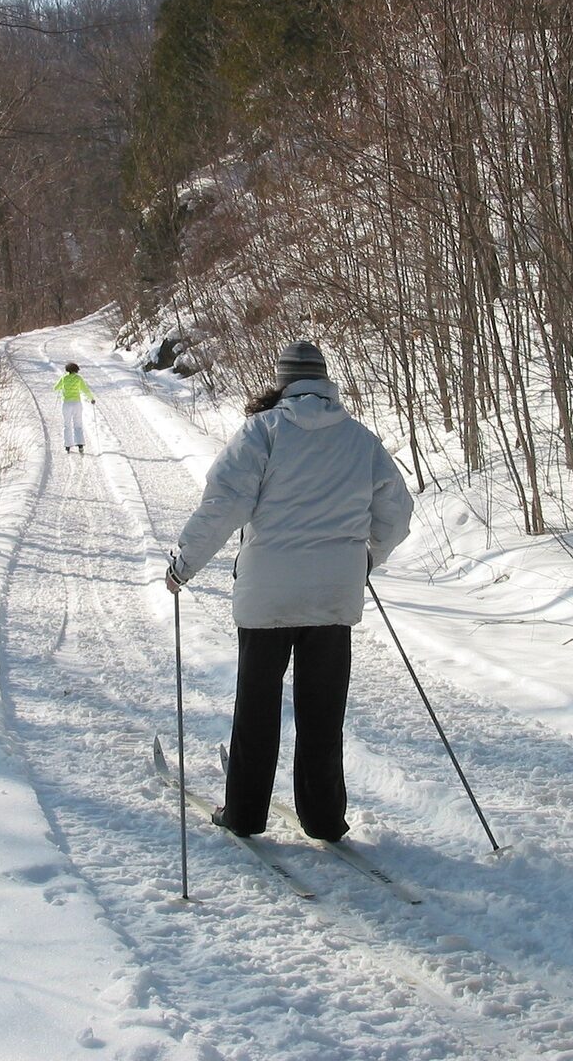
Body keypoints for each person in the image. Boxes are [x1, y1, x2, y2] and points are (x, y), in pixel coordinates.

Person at [164, 341, 414, 841]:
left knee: (256, 709)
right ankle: (323, 819)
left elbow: (223, 506)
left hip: (267, 598)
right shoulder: (359, 439)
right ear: (324, 380)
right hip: (333, 598)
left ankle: (245, 815)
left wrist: (183, 565)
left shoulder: (262, 431)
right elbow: (397, 512)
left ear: (284, 381)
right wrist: (366, 558)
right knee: (323, 715)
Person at [53, 362, 96, 453]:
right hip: (77, 403)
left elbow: (55, 388)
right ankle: (80, 444)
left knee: (67, 424)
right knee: (78, 423)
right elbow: (85, 389)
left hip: (66, 404)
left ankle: (68, 445)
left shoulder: (64, 378)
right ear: (76, 370)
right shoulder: (78, 378)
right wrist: (91, 398)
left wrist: (61, 387)